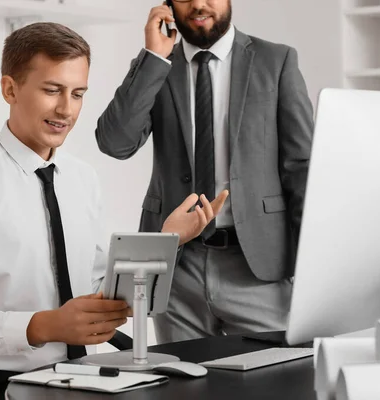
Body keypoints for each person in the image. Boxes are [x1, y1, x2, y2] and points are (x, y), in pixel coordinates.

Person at [0, 22, 228, 400]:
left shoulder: (82, 179)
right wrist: (44, 326)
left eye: (78, 93)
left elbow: (99, 290)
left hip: (80, 378)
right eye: (52, 90)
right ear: (10, 89)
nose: (66, 109)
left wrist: (169, 239)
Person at [95, 0, 314, 344]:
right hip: (177, 264)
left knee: (275, 378)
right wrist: (153, 58)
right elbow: (115, 143)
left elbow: (300, 168)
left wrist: (311, 265)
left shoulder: (277, 61)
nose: (198, 4)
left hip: (258, 264)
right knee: (183, 386)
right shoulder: (157, 65)